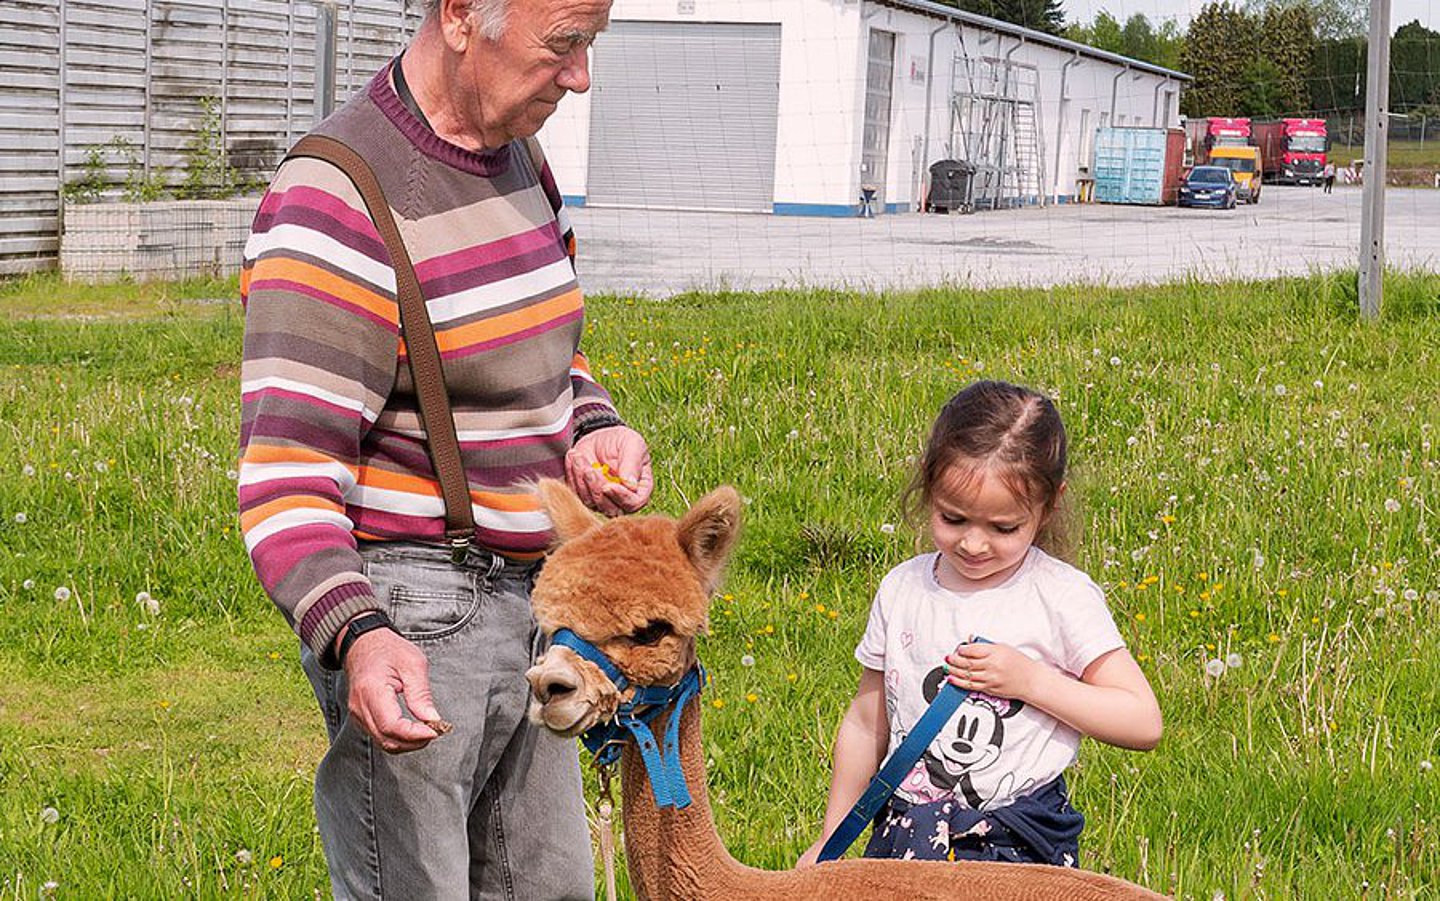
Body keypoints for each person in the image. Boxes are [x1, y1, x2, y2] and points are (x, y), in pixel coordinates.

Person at [237, 0, 646, 897]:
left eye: (591, 44)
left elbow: (553, 356)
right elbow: (285, 479)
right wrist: (360, 634)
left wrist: (591, 425)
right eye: (564, 45)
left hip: (535, 601)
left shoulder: (521, 163)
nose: (581, 76)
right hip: (415, 615)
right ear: (463, 15)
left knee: (552, 885)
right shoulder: (340, 197)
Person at [797, 381, 1161, 869]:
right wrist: (832, 840)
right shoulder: (903, 589)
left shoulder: (1060, 596)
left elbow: (1142, 721)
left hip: (1018, 842)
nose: (973, 544)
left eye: (1003, 528)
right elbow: (866, 724)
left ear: (1049, 505)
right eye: (953, 518)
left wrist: (1031, 682)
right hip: (905, 832)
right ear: (928, 487)